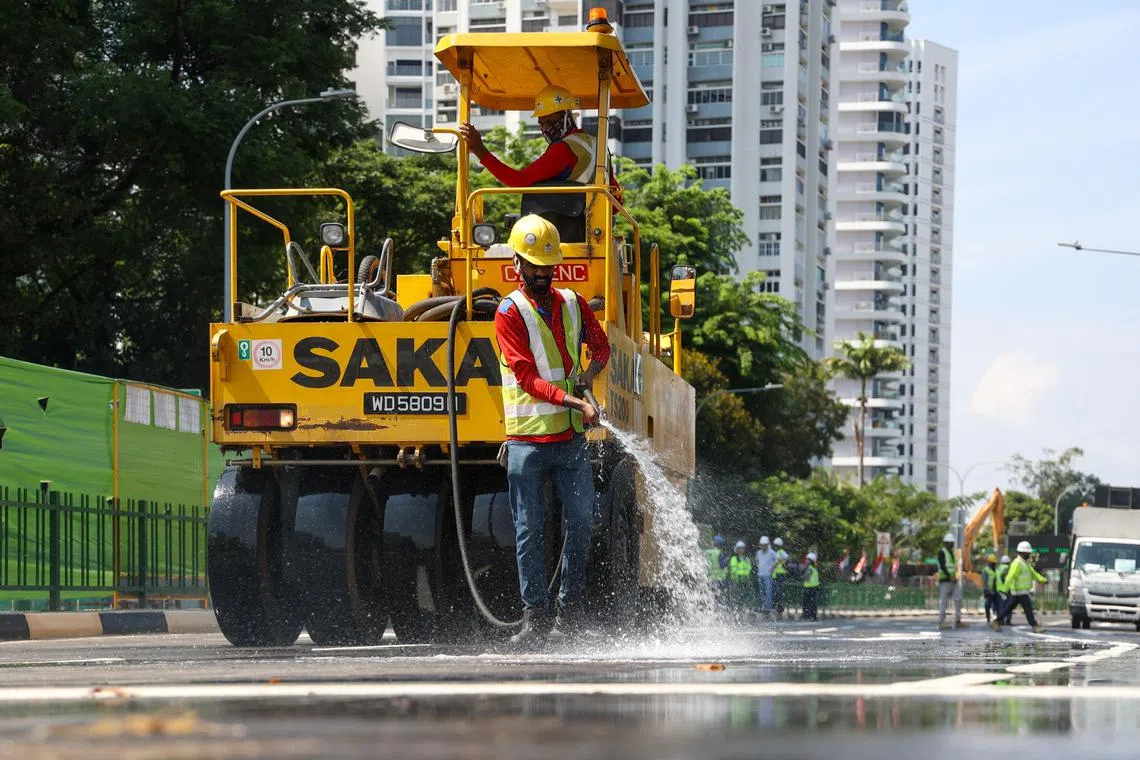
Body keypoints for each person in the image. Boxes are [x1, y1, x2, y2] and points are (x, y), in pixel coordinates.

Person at [495, 214, 610, 646]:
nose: (542, 274)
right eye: (534, 267)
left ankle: (570, 614)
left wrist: (588, 376)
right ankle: (535, 618)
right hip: (526, 443)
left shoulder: (574, 304)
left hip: (570, 441)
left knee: (581, 522)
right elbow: (526, 378)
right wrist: (578, 402)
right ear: (517, 263)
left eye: (548, 267)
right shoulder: (509, 313)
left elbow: (602, 347)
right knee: (529, 530)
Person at [459, 84, 621, 201]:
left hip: (567, 226)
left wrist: (479, 149)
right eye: (541, 124)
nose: (545, 129)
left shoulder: (563, 149)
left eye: (550, 122)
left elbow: (518, 181)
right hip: (599, 226)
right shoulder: (599, 146)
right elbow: (616, 201)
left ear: (566, 117)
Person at [992, 541, 1048, 633]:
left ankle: (997, 621)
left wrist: (1043, 580)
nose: (1029, 554)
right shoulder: (1017, 563)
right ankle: (1034, 626)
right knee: (1028, 609)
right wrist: (1005, 589)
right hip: (1019, 591)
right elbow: (1010, 576)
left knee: (1008, 608)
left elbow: (1033, 574)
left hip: (1021, 591)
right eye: (1027, 553)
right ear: (1022, 552)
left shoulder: (1025, 563)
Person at [936, 532, 967, 630]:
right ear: (946, 543)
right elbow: (942, 566)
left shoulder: (953, 554)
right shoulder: (942, 553)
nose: (952, 544)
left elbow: (953, 567)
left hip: (953, 581)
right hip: (945, 580)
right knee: (943, 601)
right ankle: (941, 622)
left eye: (952, 542)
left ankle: (958, 621)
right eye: (950, 542)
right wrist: (950, 576)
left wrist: (955, 577)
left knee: (958, 598)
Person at [754, 536, 777, 617]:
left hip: (768, 575)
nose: (763, 546)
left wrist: (772, 567)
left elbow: (777, 560)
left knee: (768, 592)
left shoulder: (772, 552)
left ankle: (768, 608)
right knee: (762, 592)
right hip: (760, 574)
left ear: (767, 544)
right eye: (762, 545)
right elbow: (757, 561)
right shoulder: (758, 553)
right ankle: (764, 606)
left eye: (765, 545)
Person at [728, 540, 753, 609]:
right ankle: (737, 607)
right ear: (737, 549)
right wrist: (738, 575)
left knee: (745, 594)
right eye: (739, 548)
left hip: (745, 579)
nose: (741, 550)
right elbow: (733, 568)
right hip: (737, 580)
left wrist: (746, 574)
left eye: (742, 548)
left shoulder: (746, 558)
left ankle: (745, 606)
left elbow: (749, 567)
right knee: (737, 594)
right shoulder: (734, 558)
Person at [705, 535, 730, 600]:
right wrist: (727, 560)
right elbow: (722, 566)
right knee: (719, 596)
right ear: (721, 545)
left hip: (709, 578)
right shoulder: (719, 553)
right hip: (719, 579)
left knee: (710, 595)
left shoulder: (707, 552)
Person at [801, 552, 821, 621]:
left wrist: (802, 575)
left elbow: (806, 578)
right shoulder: (814, 568)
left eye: (807, 559)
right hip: (814, 587)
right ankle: (813, 616)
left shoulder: (809, 568)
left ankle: (806, 615)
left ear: (810, 561)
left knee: (806, 602)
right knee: (812, 602)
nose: (806, 560)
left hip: (809, 587)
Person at [980, 554, 999, 623]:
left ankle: (995, 617)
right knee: (987, 604)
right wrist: (986, 590)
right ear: (989, 562)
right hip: (988, 590)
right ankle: (988, 618)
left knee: (996, 604)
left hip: (996, 590)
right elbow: (984, 581)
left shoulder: (996, 569)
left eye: (994, 562)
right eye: (992, 562)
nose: (994, 564)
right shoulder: (986, 570)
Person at [771, 549, 789, 619]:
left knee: (778, 592)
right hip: (775, 575)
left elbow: (786, 560)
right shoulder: (775, 552)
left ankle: (779, 609)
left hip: (780, 575)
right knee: (775, 593)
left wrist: (778, 562)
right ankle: (776, 608)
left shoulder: (781, 552)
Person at [996, 554, 1013, 625]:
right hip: (1007, 589)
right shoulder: (1008, 568)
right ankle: (1008, 620)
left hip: (999, 590)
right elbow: (1005, 577)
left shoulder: (998, 569)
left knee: (1001, 606)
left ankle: (1001, 620)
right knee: (1009, 605)